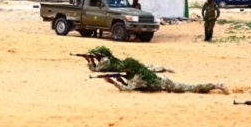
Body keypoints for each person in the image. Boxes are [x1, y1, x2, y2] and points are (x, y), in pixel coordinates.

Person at [97, 55, 229, 94]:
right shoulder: (140, 71)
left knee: (191, 88)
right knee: (189, 88)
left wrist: (113, 82)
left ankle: (216, 85)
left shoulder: (137, 77)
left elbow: (127, 89)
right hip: (163, 81)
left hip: (166, 84)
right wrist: (121, 79)